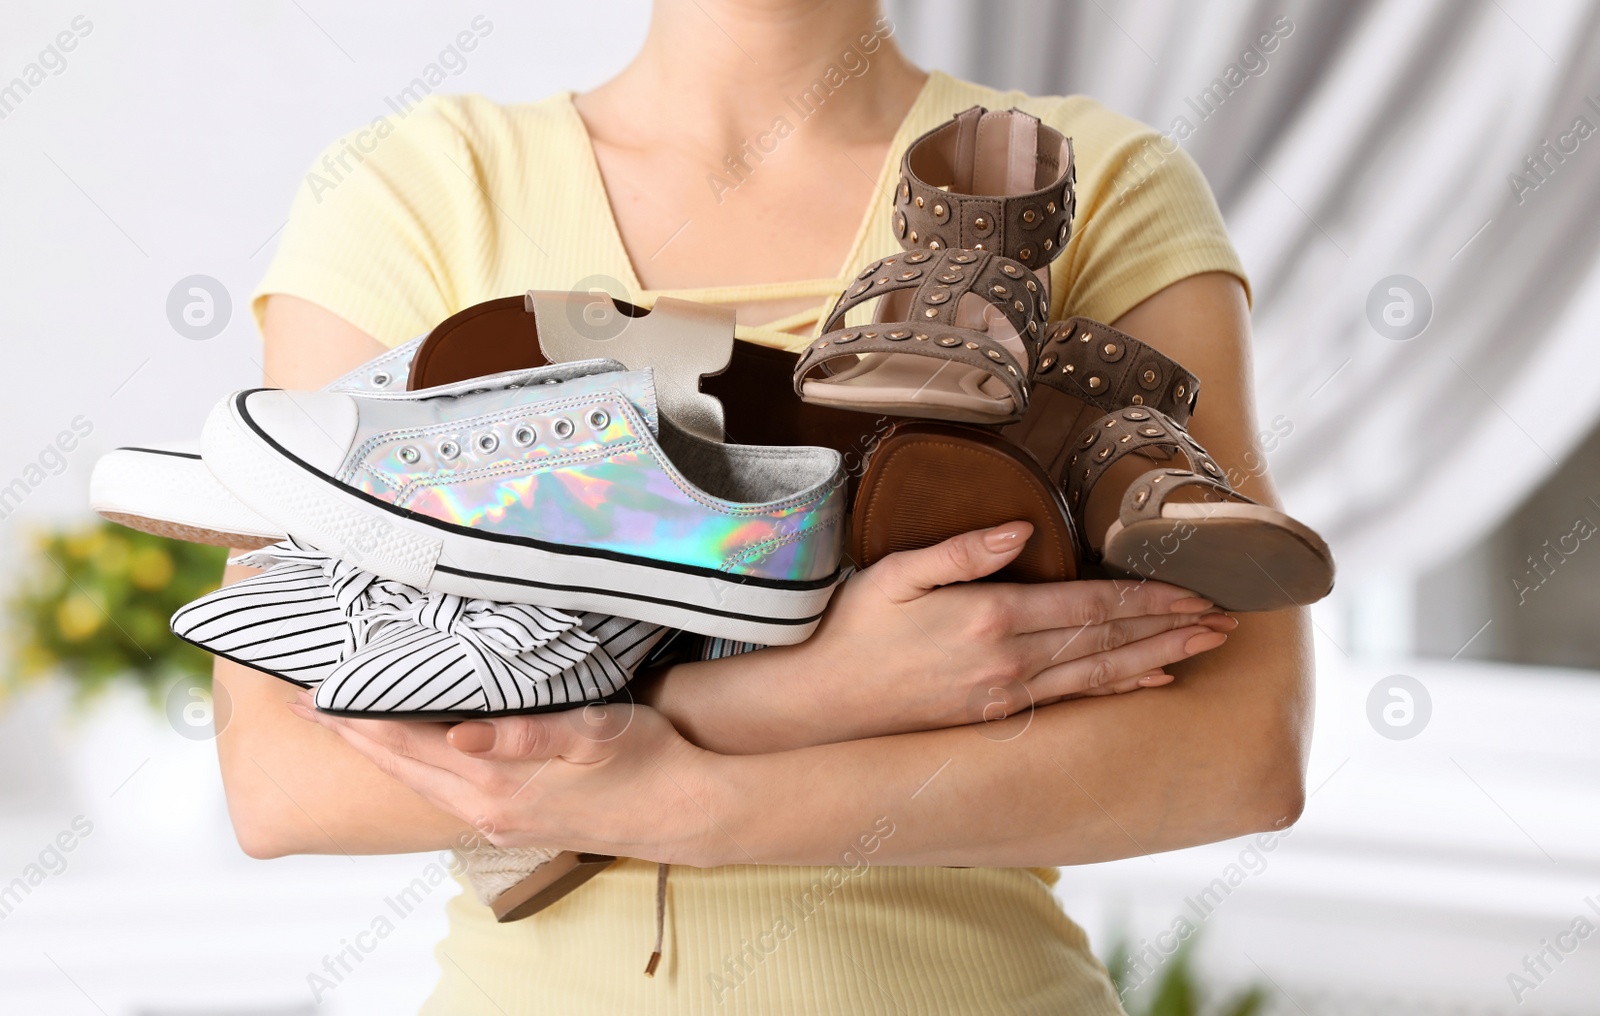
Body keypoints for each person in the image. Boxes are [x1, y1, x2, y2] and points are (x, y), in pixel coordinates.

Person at [219, 1, 1310, 1011]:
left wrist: (685, 804)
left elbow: (1240, 749)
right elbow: (283, 772)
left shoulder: (1103, 179)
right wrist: (800, 697)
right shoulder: (424, 191)